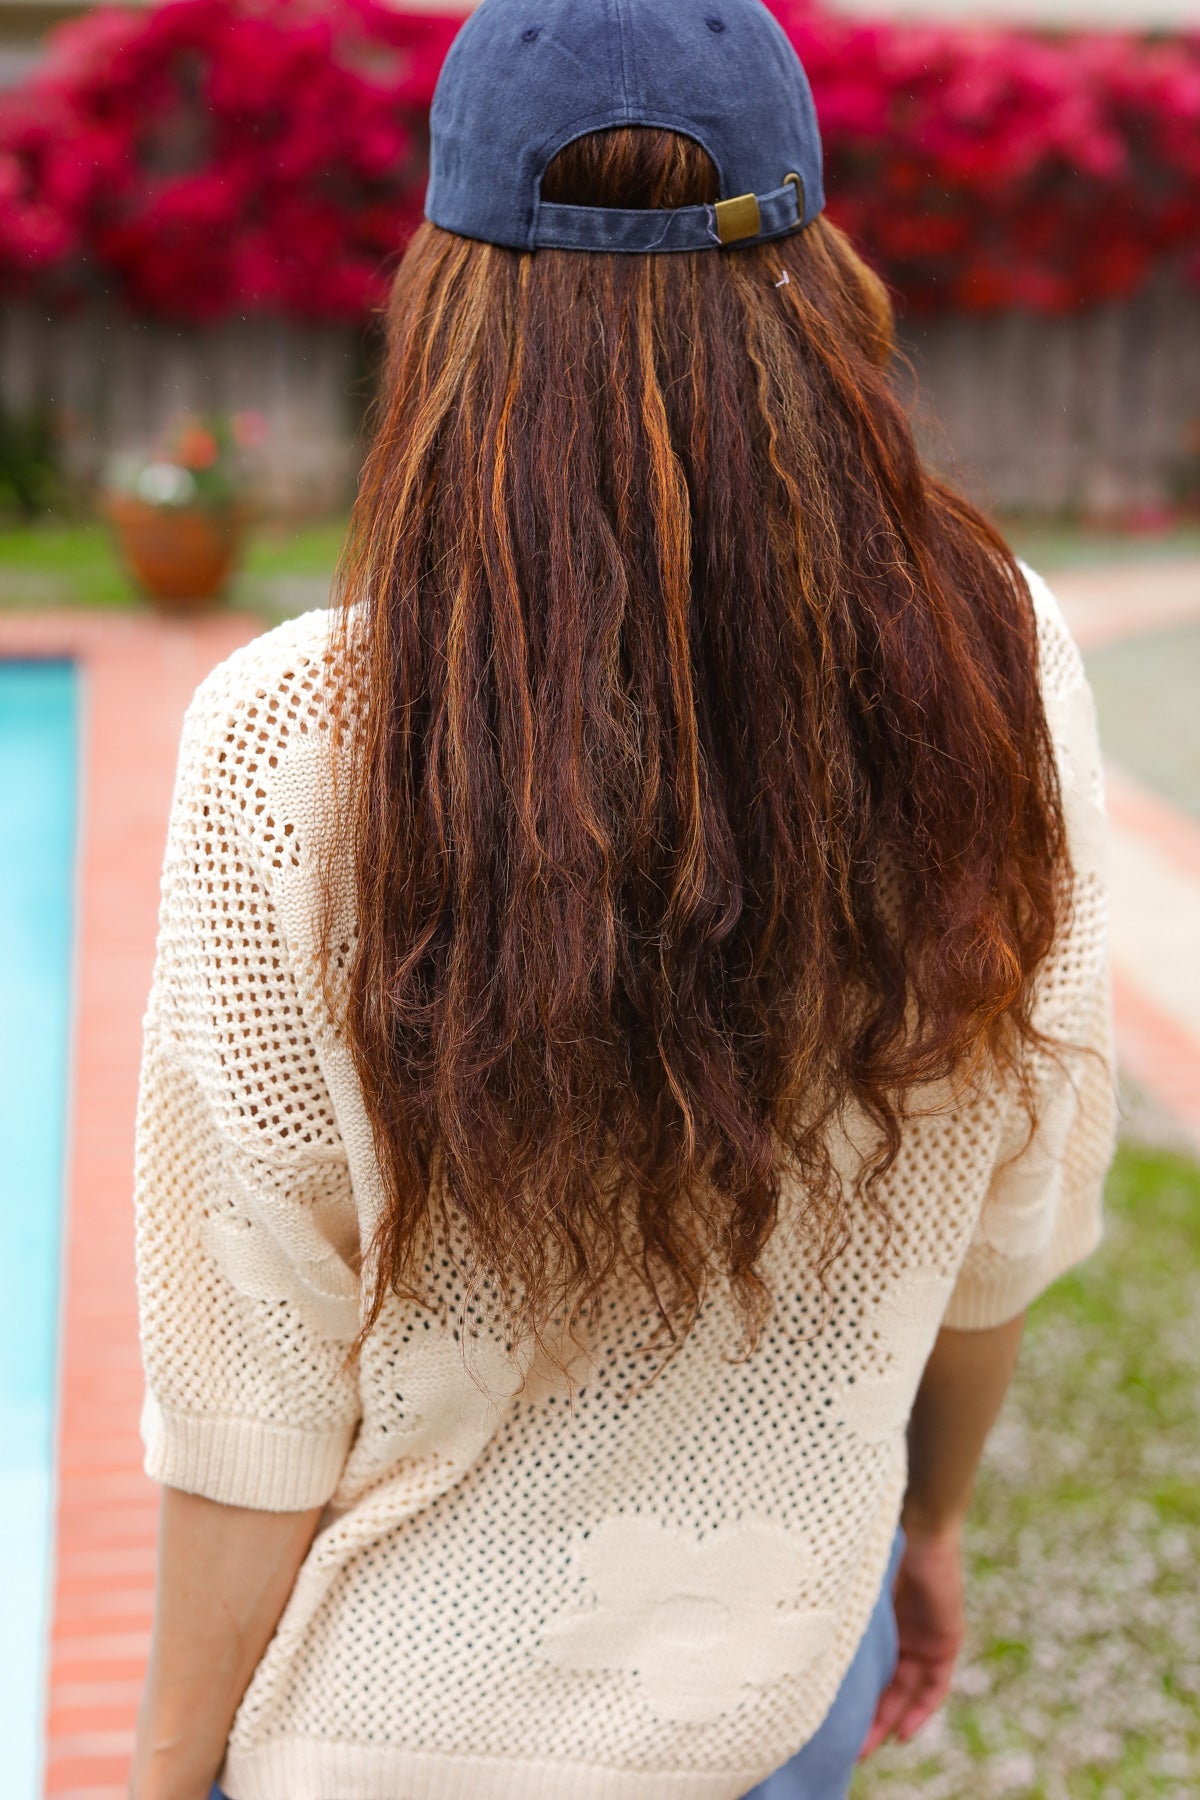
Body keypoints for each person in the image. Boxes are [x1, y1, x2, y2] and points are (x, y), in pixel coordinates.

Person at [128, 2, 1116, 1796]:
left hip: (386, 1736)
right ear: (822, 272)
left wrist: (162, 1769)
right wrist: (932, 1524)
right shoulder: (1000, 674)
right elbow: (1006, 1211)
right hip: (781, 1677)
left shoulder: (294, 740)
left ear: (443, 293)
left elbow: (250, 1362)